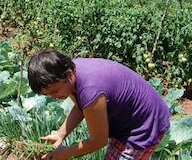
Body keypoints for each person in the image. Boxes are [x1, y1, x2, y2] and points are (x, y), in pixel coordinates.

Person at [28, 50, 170, 160]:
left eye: (55, 91)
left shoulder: (90, 89)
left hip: (144, 125)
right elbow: (80, 106)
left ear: (69, 75)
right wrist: (61, 134)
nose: (54, 97)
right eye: (48, 94)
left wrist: (66, 153)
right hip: (128, 119)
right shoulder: (70, 74)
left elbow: (98, 141)